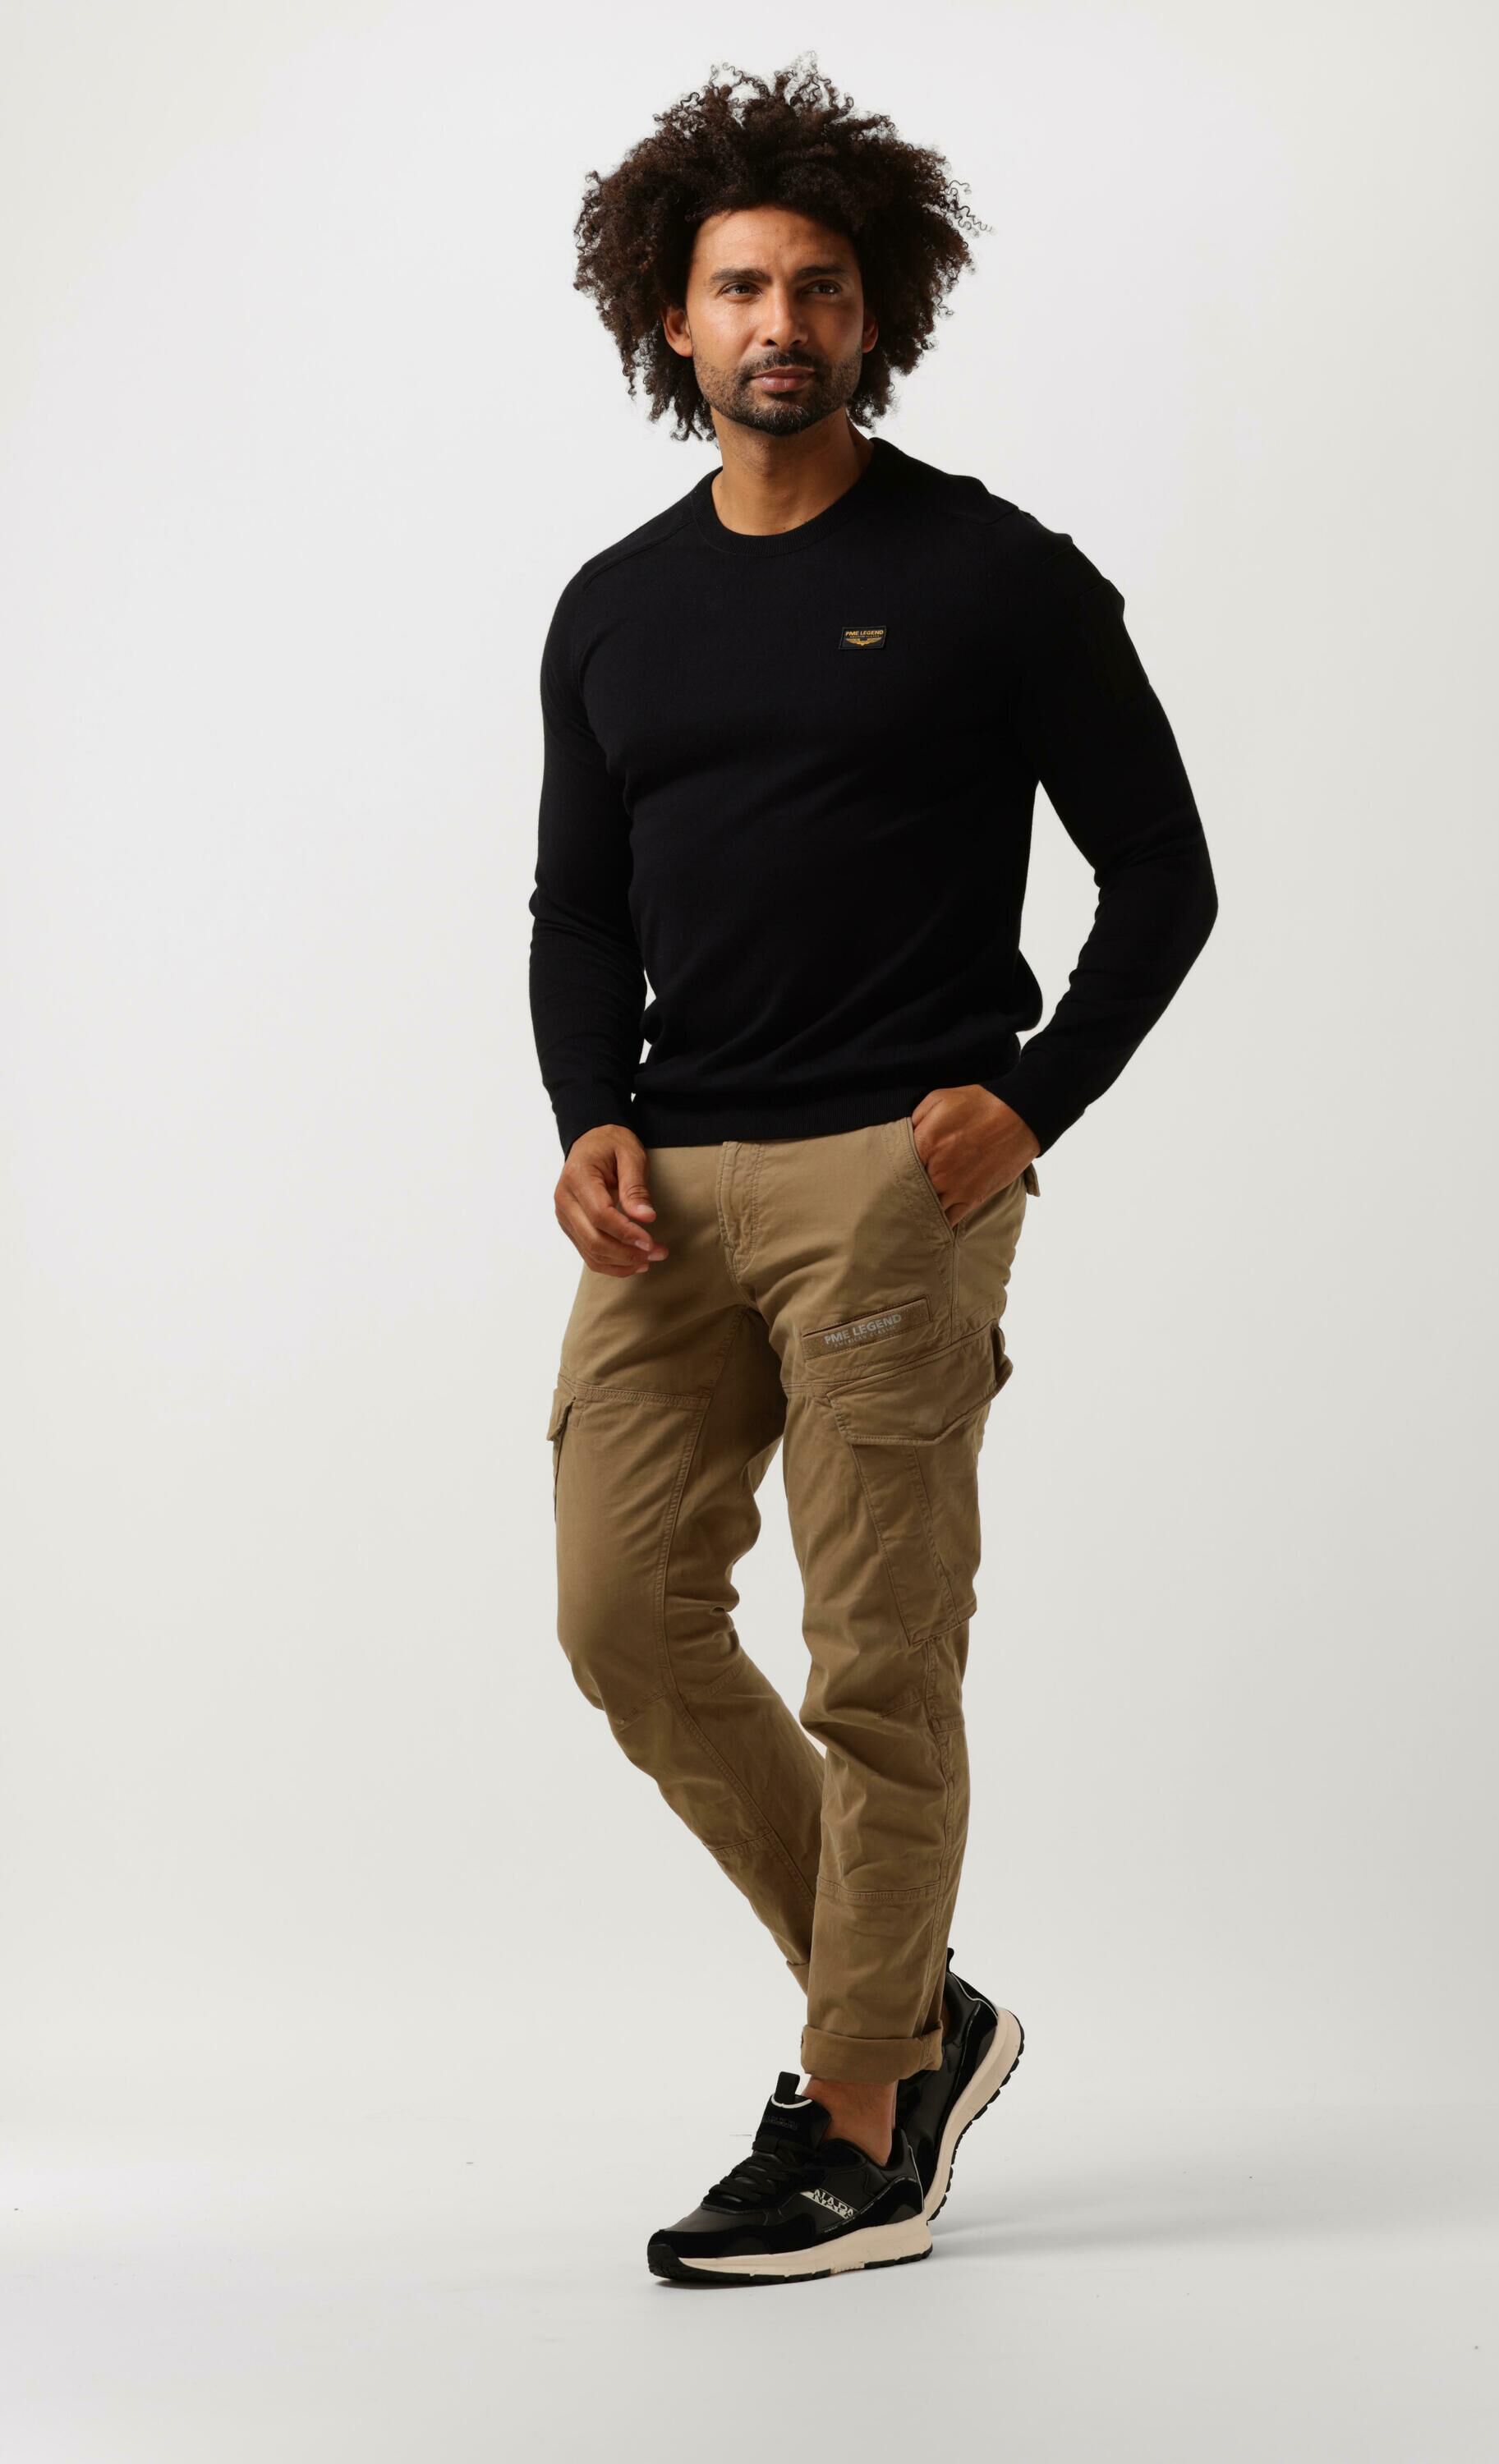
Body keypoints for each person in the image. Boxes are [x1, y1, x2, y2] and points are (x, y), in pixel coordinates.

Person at [528, 58, 1219, 2287]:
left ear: (875, 310)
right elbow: (579, 911)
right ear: (670, 317)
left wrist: (1035, 1098)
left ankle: (859, 2121)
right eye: (739, 288)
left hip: (891, 1181)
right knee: (622, 1619)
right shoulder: (614, 607)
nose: (779, 324)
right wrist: (585, 1109)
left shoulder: (993, 577)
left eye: (818, 286)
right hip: (669, 1185)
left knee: (876, 1663)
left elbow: (1164, 875)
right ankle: (920, 2012)